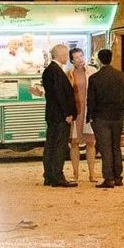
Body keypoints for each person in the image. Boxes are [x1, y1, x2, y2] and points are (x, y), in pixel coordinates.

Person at [86, 49, 124, 188]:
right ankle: (118, 176)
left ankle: (108, 177)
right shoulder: (121, 76)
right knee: (116, 146)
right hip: (117, 116)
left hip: (101, 117)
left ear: (99, 60)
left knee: (105, 148)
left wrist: (90, 116)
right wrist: (123, 111)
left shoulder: (94, 78)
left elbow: (91, 100)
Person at [41, 44, 77, 187]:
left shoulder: (49, 70)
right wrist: (68, 113)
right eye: (66, 54)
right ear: (61, 55)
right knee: (59, 146)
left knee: (50, 144)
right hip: (60, 115)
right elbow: (60, 95)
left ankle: (49, 175)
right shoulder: (56, 71)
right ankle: (57, 175)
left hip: (52, 114)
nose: (67, 57)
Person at [67, 47, 98, 183]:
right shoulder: (69, 73)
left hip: (89, 109)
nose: (80, 59)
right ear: (72, 60)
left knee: (91, 142)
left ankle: (92, 174)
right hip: (76, 110)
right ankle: (75, 173)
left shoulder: (92, 70)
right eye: (77, 57)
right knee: (74, 143)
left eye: (81, 56)